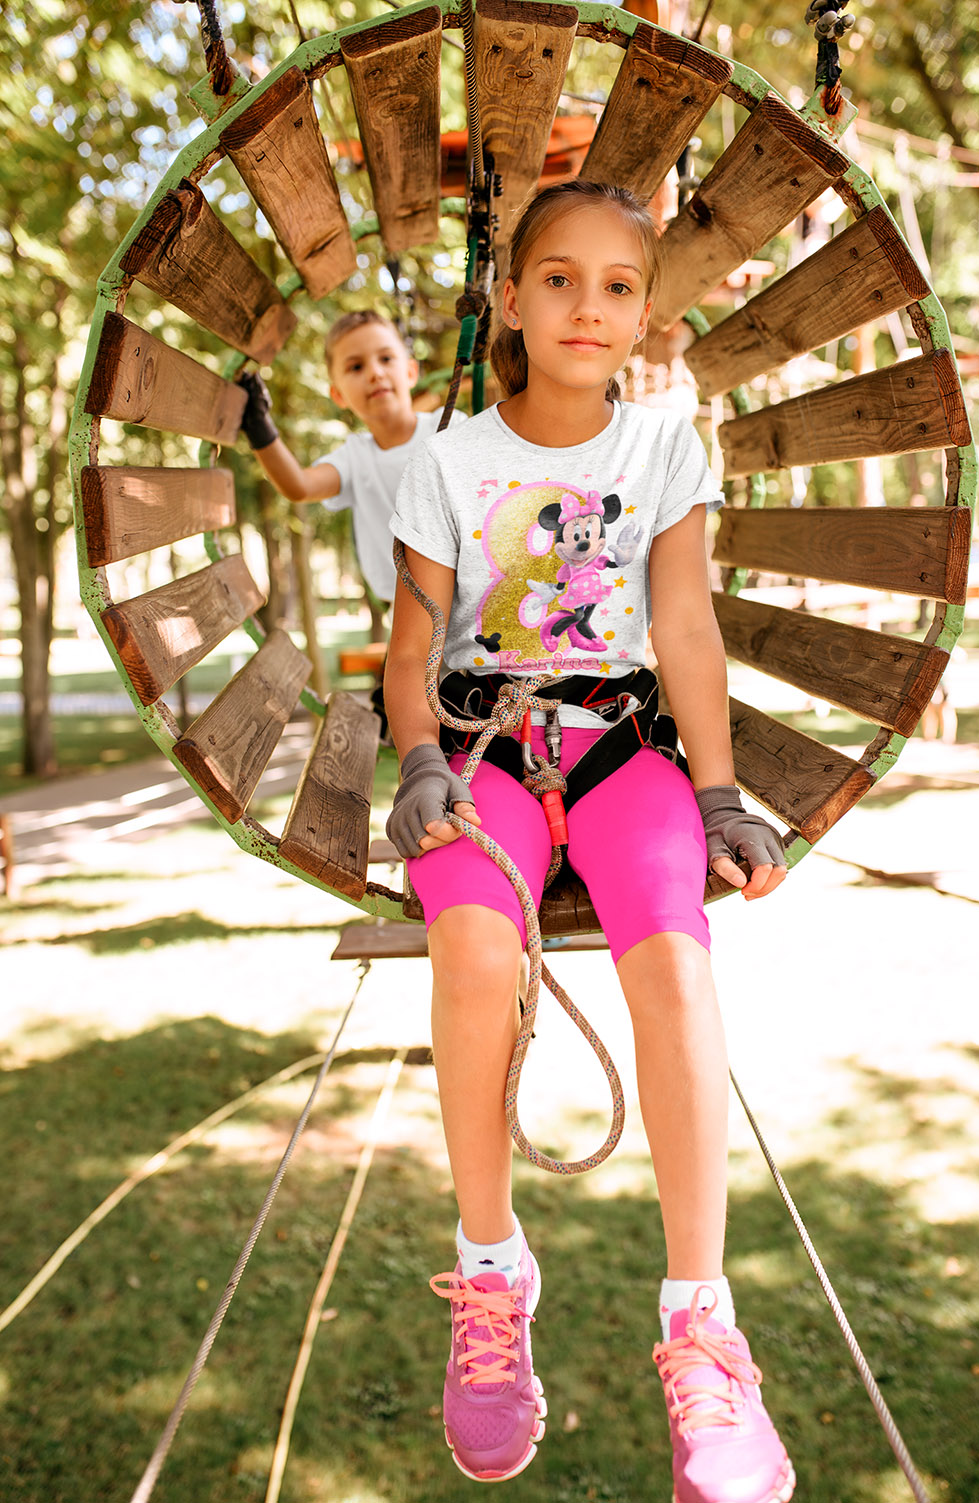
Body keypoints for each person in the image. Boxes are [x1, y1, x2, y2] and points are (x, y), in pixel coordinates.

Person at [383, 180, 793, 1503]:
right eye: (559, 278)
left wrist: (719, 793)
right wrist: (419, 762)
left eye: (620, 285)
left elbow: (683, 629)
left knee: (674, 957)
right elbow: (409, 644)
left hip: (622, 752)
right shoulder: (441, 462)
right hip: (485, 753)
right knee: (471, 943)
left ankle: (702, 1320)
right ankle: (493, 1271)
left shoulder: (665, 450)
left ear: (647, 315)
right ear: (509, 299)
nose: (588, 306)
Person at [237, 309, 465, 608]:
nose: (375, 373)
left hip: (466, 591)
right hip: (405, 607)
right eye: (356, 367)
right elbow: (300, 486)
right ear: (338, 395)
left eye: (385, 359)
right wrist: (260, 429)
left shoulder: (448, 427)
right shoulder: (354, 458)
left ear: (411, 372)